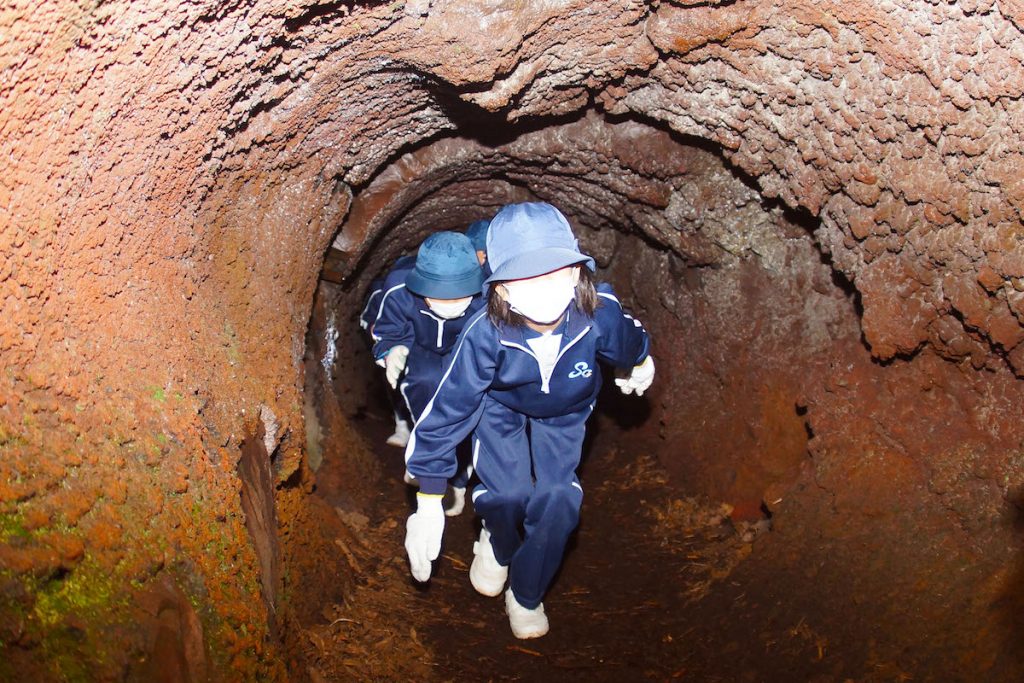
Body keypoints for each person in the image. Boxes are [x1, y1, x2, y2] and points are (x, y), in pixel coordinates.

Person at [402, 202, 655, 639]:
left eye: (554, 271)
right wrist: (428, 497)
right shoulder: (484, 333)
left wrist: (640, 360)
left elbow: (628, 342)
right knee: (509, 494)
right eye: (523, 276)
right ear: (500, 289)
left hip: (565, 413)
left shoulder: (598, 316)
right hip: (500, 410)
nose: (541, 286)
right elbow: (450, 407)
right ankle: (498, 544)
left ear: (576, 273)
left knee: (559, 498)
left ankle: (526, 593)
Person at [373, 231, 486, 515]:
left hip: (463, 348)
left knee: (462, 402)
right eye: (440, 295)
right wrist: (390, 350)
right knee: (424, 390)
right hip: (420, 348)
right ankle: (429, 467)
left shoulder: (487, 296)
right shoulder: (399, 291)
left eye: (458, 294)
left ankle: (461, 475)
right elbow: (387, 330)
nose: (449, 302)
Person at [360, 254, 417, 447]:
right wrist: (386, 348)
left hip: (424, 350)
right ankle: (402, 426)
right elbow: (370, 321)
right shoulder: (382, 291)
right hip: (394, 348)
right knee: (395, 382)